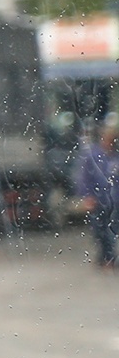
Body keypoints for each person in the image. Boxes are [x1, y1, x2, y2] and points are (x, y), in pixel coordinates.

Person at [74, 111, 119, 269]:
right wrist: (86, 196)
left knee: (111, 231)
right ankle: (105, 258)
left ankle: (109, 259)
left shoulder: (115, 156)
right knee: (99, 232)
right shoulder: (92, 155)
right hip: (97, 199)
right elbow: (83, 177)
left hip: (114, 201)